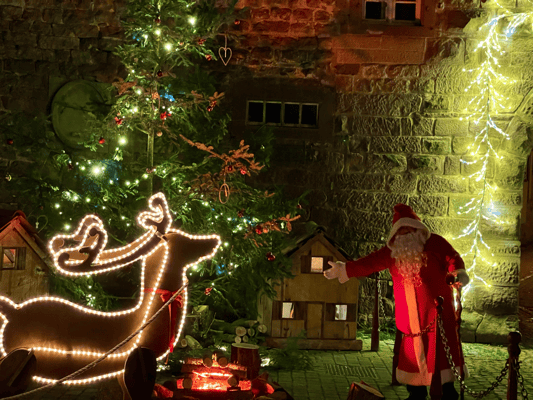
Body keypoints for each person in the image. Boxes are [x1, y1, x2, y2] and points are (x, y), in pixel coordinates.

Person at [324, 204, 469, 400]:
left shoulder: (436, 243)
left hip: (438, 318)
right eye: (402, 230)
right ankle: (416, 394)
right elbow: (370, 263)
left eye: (410, 229)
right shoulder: (392, 252)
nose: (406, 234)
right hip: (410, 322)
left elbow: (453, 258)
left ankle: (447, 392)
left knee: (443, 358)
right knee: (413, 361)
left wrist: (457, 273)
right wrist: (344, 269)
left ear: (418, 229)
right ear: (396, 234)